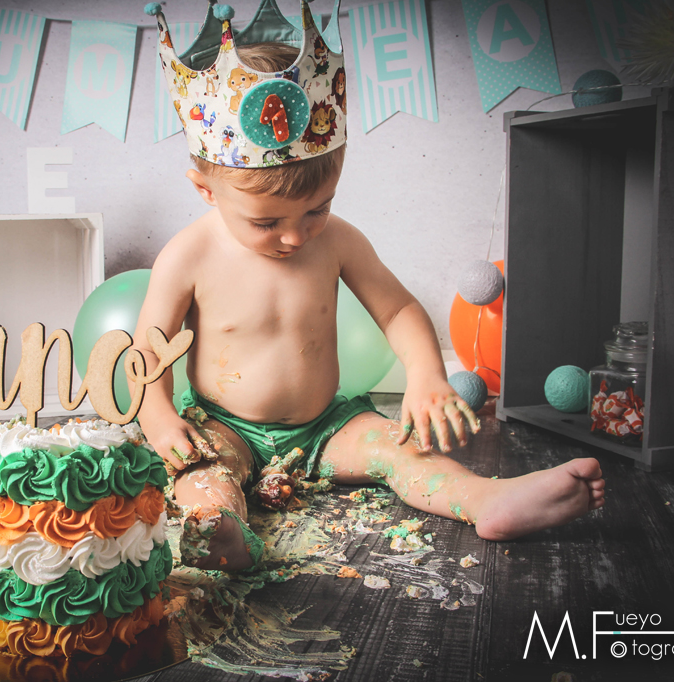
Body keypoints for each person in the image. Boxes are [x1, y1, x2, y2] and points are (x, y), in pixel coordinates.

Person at [135, 3, 604, 571]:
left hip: (327, 426)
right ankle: (222, 532)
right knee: (200, 473)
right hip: (223, 425)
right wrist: (158, 417)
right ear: (206, 190)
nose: (294, 237)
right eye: (267, 222)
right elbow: (148, 350)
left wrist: (426, 374)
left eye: (317, 209)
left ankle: (487, 500)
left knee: (401, 449)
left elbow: (398, 308)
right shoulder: (189, 254)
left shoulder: (337, 240)